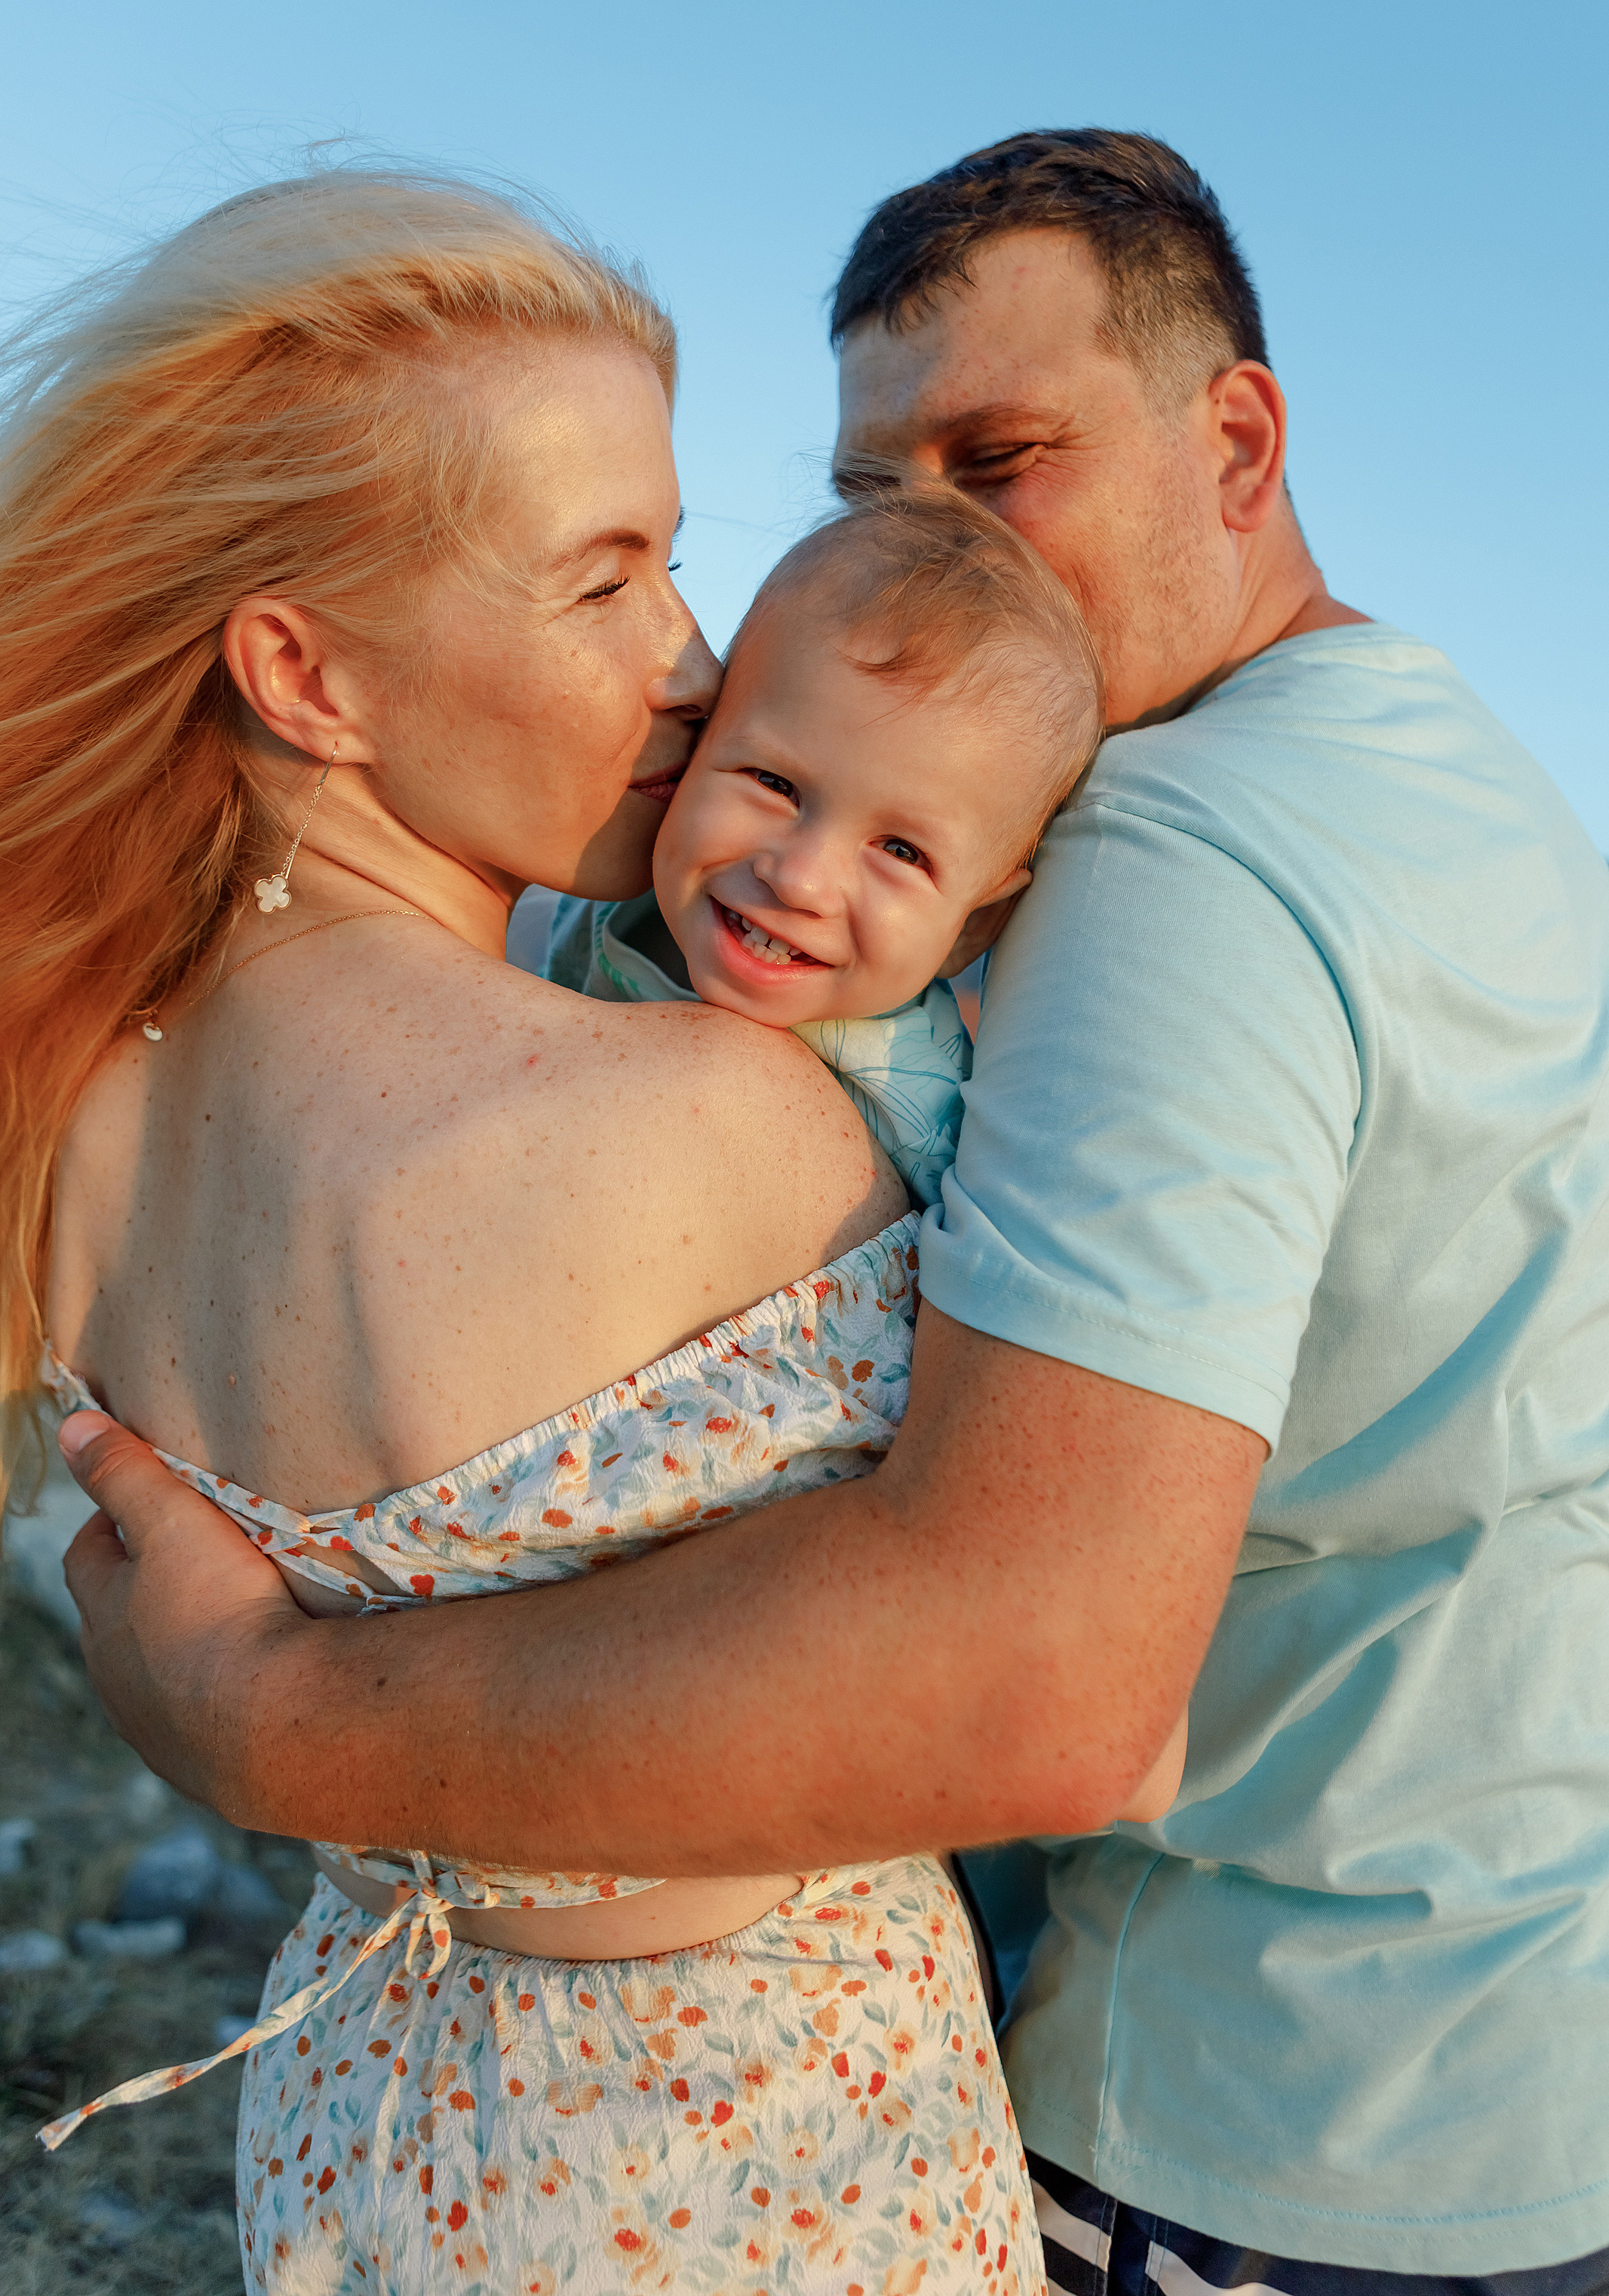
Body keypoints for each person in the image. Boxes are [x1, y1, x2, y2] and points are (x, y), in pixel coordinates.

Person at [54, 130, 1609, 2289]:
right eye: (874, 496)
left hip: (1257, 2094)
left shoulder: (1170, 865)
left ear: (1232, 439)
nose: (926, 565)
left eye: (1001, 460)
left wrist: (258, 1721)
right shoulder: (1445, 771)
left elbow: (1047, 1680)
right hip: (1472, 2021)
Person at [3, 170, 1057, 2291]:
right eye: (604, 582)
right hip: (766, 2160)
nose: (691, 660)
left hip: (369, 2124)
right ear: (303, 671)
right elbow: (1036, 1673)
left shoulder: (69, 1130)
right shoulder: (716, 1127)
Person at [552, 480, 1104, 1207]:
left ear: (971, 924)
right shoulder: (599, 904)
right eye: (773, 783)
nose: (800, 880)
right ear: (695, 750)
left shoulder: (925, 1121)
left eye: (901, 852)